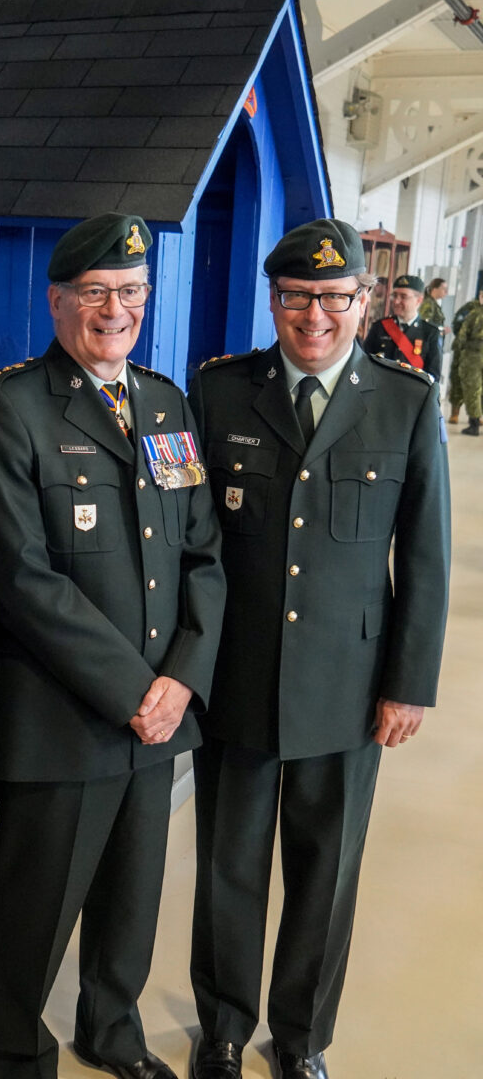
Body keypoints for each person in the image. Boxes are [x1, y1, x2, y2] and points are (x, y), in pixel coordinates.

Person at [0, 213, 226, 1079]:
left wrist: (181, 681)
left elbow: (203, 556)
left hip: (159, 715)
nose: (117, 310)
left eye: (132, 293)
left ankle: (111, 1032)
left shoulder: (165, 403)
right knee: (34, 911)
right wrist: (134, 691)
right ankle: (13, 1052)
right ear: (57, 300)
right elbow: (23, 576)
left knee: (130, 903)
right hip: (66, 713)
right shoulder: (13, 408)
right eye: (97, 292)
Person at [187, 219, 450, 1079]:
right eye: (297, 298)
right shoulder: (221, 394)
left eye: (334, 299)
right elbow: (193, 547)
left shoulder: (405, 402)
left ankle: (300, 1040)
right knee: (229, 867)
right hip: (239, 677)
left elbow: (425, 554)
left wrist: (408, 685)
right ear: (274, 300)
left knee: (325, 875)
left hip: (348, 683)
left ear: (363, 301)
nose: (314, 317)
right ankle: (223, 1028)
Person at [363, 273, 441, 381]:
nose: (396, 301)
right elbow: (364, 362)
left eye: (403, 297)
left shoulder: (430, 333)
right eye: (394, 295)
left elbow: (433, 376)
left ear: (419, 300)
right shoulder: (380, 327)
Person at [447, 289, 483, 423]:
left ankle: (477, 415)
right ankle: (454, 413)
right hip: (465, 351)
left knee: (479, 386)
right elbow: (458, 325)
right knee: (457, 381)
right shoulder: (470, 308)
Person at [455, 297, 483, 436]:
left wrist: (461, 350)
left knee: (473, 389)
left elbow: (462, 335)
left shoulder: (475, 314)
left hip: (474, 356)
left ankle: (474, 424)